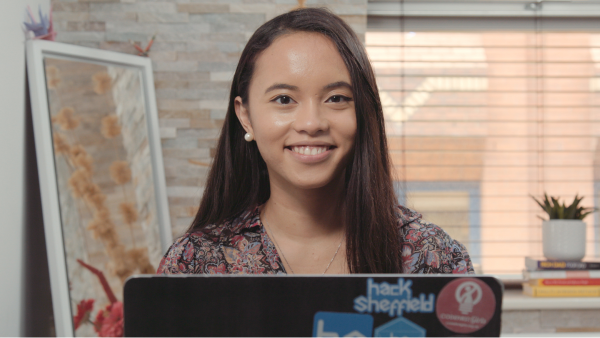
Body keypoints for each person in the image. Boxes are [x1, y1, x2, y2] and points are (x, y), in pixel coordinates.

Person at [157, 8, 474, 275]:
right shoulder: (197, 263)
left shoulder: (431, 257)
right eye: (284, 99)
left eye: (336, 98)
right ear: (245, 116)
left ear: (363, 111)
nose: (311, 123)